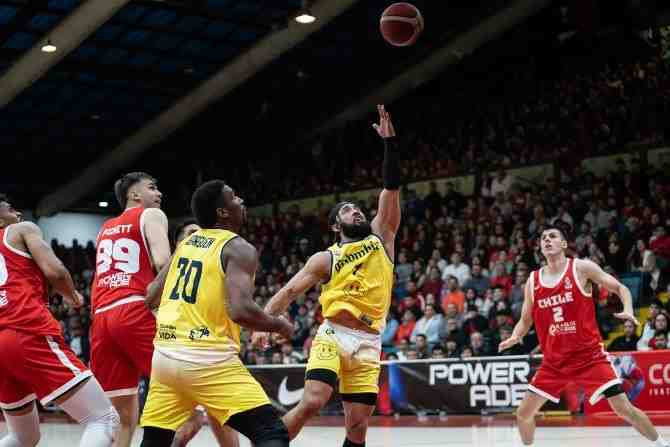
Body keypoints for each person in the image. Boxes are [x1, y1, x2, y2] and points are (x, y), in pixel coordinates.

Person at [252, 105, 402, 446]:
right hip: (334, 334)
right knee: (313, 401)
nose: (356, 210)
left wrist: (390, 144)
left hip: (370, 342)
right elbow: (290, 291)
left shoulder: (383, 237)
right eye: (348, 210)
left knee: (358, 427)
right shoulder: (326, 257)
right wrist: (264, 324)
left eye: (357, 207)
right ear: (336, 226)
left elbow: (391, 188)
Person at [139, 180, 293, 447]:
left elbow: (151, 296)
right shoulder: (238, 248)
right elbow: (241, 311)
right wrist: (280, 325)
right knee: (271, 433)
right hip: (206, 359)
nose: (240, 200)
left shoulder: (186, 245)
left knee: (156, 441)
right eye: (234, 197)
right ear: (222, 212)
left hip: (164, 357)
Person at [500, 226, 668, 447]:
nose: (547, 240)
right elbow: (525, 319)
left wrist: (627, 308)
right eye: (543, 238)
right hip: (554, 362)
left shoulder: (581, 268)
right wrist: (515, 336)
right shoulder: (533, 280)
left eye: (552, 236)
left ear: (564, 244)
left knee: (623, 408)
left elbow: (620, 287)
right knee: (523, 414)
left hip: (589, 357)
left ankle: (661, 444)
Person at [0, 194, 119, 446]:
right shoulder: (21, 229)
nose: (18, 213)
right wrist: (73, 295)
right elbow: (55, 270)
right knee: (103, 418)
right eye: (11, 208)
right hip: (24, 330)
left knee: (24, 437)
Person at [89, 172, 171, 447]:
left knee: (119, 418)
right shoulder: (151, 215)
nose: (159, 193)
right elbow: (163, 262)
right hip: (134, 308)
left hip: (102, 317)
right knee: (183, 389)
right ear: (134, 195)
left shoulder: (105, 227)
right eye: (152, 187)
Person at [168, 219, 240, 447]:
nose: (198, 237)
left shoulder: (213, 267)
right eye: (190, 233)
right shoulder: (171, 271)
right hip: (190, 352)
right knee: (212, 417)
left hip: (207, 350)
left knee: (208, 418)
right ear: (177, 243)